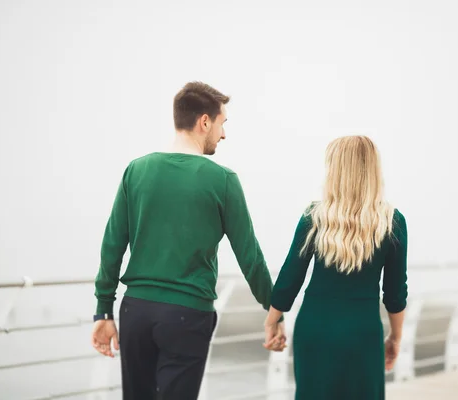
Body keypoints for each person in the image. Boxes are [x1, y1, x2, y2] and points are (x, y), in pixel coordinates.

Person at [90, 81, 285, 400]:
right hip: (187, 313)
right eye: (222, 124)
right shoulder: (223, 180)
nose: (223, 135)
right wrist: (274, 311)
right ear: (204, 121)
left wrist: (103, 311)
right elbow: (250, 257)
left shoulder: (136, 170)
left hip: (136, 311)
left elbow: (112, 246)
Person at [263, 135, 408, 399]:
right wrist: (395, 338)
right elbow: (395, 294)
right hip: (362, 333)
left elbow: (290, 277)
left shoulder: (314, 216)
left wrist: (272, 321)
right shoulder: (392, 222)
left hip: (315, 330)